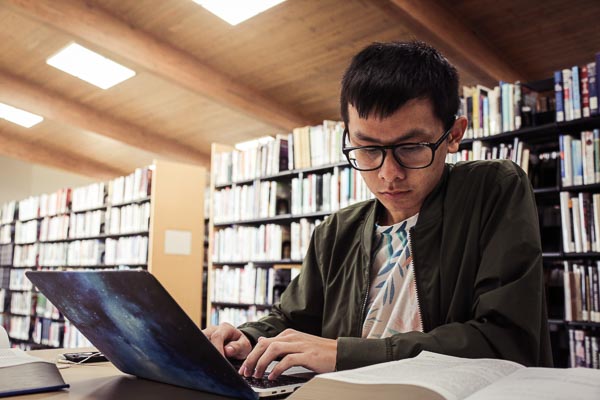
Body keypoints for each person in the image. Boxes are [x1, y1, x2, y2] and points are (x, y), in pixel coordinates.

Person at [204, 40, 553, 380]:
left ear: (453, 134)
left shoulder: (493, 189)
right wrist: (248, 338)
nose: (389, 174)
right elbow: (293, 318)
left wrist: (342, 354)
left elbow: (505, 339)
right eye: (368, 149)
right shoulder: (336, 230)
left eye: (412, 147)